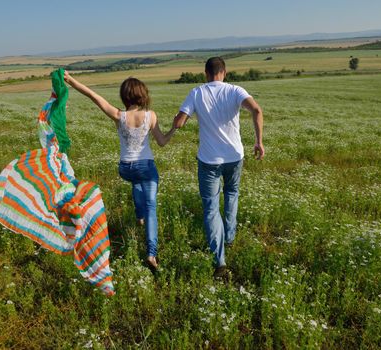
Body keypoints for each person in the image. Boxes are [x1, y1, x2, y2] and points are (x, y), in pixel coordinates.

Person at [64, 71, 176, 272]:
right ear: (143, 94)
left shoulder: (118, 116)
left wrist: (71, 80)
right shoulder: (150, 116)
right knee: (152, 207)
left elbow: (93, 96)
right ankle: (151, 253)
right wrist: (174, 128)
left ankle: (139, 215)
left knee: (135, 182)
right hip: (146, 167)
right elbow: (162, 142)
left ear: (124, 96)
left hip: (125, 168)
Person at [173, 57, 264, 279]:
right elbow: (257, 110)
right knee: (232, 194)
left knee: (211, 208)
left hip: (209, 160)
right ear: (224, 72)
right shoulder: (235, 90)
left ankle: (219, 261)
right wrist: (259, 142)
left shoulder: (196, 92)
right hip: (234, 156)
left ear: (206, 73)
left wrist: (177, 120)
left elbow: (180, 123)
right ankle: (230, 237)